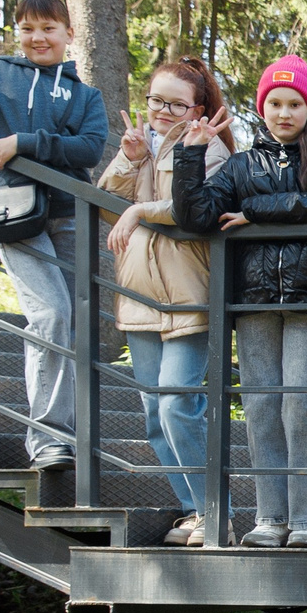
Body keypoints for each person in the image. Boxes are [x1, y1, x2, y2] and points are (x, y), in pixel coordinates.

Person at [172, 54, 307, 548]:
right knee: (261, 408)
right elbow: (195, 215)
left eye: (295, 103)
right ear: (263, 107)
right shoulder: (240, 165)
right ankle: (270, 519)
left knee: (301, 405)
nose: (285, 113)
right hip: (252, 303)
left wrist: (254, 213)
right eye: (275, 102)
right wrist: (190, 155)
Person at [0, 0, 110, 469]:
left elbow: (89, 149)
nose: (38, 38)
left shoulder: (84, 95)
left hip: (70, 214)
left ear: (69, 34)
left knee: (73, 323)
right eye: (28, 28)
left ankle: (77, 438)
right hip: (13, 212)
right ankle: (49, 439)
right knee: (50, 315)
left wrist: (23, 143)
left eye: (49, 28)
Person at [97, 56, 230, 543]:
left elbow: (195, 210)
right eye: (157, 101)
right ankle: (192, 509)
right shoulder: (138, 145)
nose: (164, 111)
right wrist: (129, 159)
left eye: (177, 104)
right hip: (137, 298)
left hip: (189, 294)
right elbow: (106, 204)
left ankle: (215, 512)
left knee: (178, 404)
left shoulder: (208, 147)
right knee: (155, 413)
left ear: (197, 108)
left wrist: (139, 210)